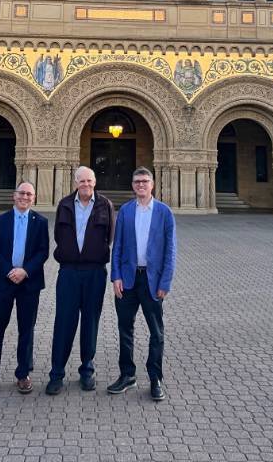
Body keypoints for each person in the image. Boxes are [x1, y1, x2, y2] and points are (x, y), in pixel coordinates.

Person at [108, 167, 176, 401]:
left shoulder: (164, 212)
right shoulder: (126, 211)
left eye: (145, 181)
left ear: (152, 184)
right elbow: (117, 247)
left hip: (152, 281)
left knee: (156, 332)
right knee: (125, 329)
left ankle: (155, 378)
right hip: (128, 280)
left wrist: (165, 282)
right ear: (132, 185)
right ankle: (127, 375)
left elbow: (170, 251)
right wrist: (116, 276)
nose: (141, 185)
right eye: (137, 181)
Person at [45, 166, 115, 395]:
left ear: (95, 182)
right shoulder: (65, 204)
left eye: (89, 181)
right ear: (75, 182)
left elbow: (110, 237)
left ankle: (87, 370)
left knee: (90, 322)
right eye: (81, 181)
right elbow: (58, 235)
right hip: (69, 272)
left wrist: (94, 253)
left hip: (95, 272)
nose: (86, 184)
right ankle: (57, 374)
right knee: (64, 322)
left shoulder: (105, 205)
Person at [0, 181, 49, 397]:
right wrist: (10, 271)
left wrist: (25, 271)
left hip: (29, 283)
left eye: (29, 194)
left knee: (26, 329)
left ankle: (23, 374)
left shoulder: (41, 222)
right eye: (21, 193)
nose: (25, 197)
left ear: (34, 198)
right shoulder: (0, 221)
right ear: (14, 195)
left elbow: (43, 252)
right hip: (3, 282)